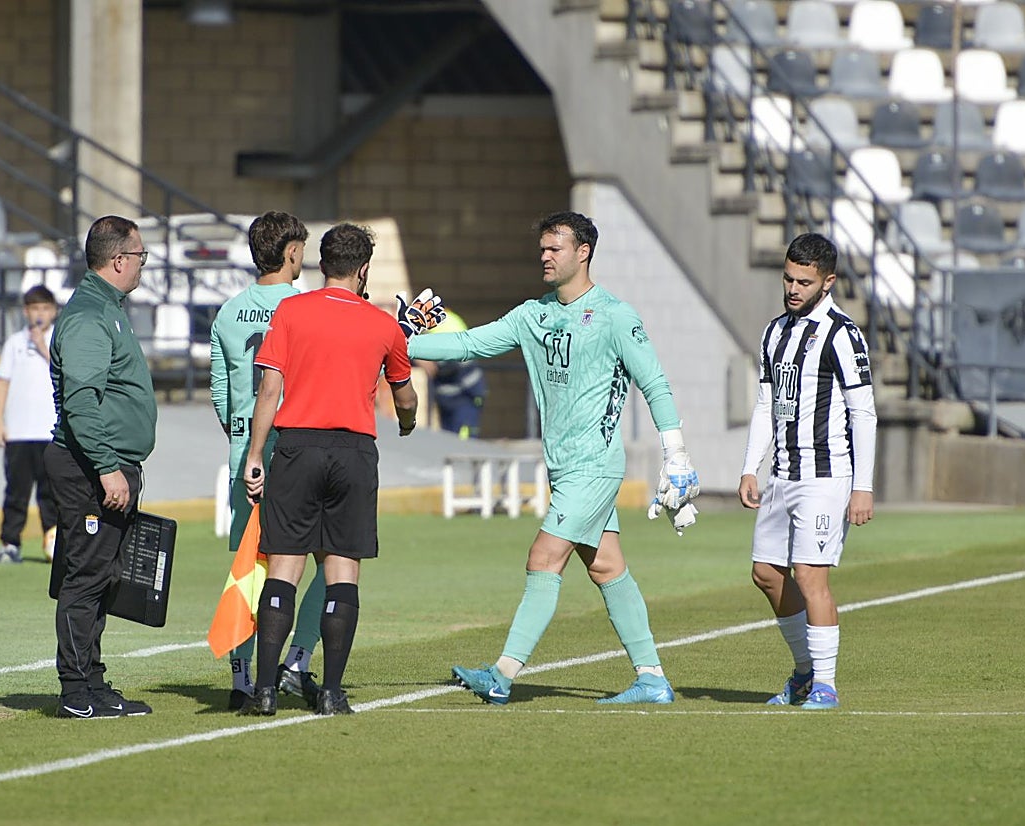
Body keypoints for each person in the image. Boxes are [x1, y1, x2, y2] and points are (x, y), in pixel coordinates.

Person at [409, 211, 700, 706]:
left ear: (582, 251)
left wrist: (676, 453)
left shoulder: (615, 314)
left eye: (555, 248)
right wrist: (394, 342)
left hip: (595, 465)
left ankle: (501, 674)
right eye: (542, 248)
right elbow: (468, 343)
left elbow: (654, 382)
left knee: (543, 558)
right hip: (564, 467)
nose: (545, 256)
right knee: (606, 567)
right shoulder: (532, 315)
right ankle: (651, 678)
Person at [241, 222, 419, 717]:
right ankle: (333, 693)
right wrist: (408, 422)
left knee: (284, 569)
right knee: (342, 574)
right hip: (354, 452)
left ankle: (266, 690)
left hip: (297, 446)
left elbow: (269, 390)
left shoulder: (291, 311)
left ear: (322, 263)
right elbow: (404, 396)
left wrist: (256, 455)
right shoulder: (384, 324)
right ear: (363, 269)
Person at [739, 232, 876, 711]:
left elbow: (864, 414)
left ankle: (826, 686)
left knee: (811, 576)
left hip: (825, 476)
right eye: (788, 278)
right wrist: (749, 468)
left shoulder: (843, 334)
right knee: (765, 574)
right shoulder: (775, 330)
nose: (793, 288)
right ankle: (804, 672)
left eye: (804, 281)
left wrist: (863, 487)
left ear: (828, 282)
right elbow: (764, 404)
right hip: (780, 474)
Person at [209, 210, 326, 711]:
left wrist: (241, 437)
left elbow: (220, 389)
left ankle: (241, 677)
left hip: (245, 454)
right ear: (293, 253)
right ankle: (295, 660)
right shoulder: (307, 308)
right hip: (297, 449)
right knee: (331, 560)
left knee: (249, 565)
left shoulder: (230, 311)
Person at [45, 215, 157, 719]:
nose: (142, 266)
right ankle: (75, 691)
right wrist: (109, 467)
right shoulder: (91, 316)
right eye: (140, 257)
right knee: (86, 578)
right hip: (88, 466)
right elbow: (81, 403)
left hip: (105, 464)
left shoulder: (108, 308)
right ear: (118, 260)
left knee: (105, 576)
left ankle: (94, 682)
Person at [0, 284, 59, 565]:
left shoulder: (58, 340)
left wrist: (43, 347)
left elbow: (63, 370)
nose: (39, 314)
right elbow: (2, 383)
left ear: (53, 311)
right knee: (16, 492)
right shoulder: (14, 343)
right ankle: (10, 543)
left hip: (50, 431)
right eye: (34, 309)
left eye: (44, 308)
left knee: (51, 494)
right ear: (26, 312)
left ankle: (54, 543)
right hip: (19, 432)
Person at [420, 308, 486, 439]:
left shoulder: (446, 324)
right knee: (450, 439)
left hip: (466, 394)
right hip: (447, 396)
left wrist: (424, 359)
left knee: (464, 440)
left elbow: (452, 361)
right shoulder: (430, 325)